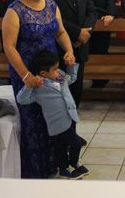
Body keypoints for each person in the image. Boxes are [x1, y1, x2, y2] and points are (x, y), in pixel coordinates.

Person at [2, 0, 75, 178]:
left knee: (52, 115)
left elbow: (60, 32)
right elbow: (9, 46)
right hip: (26, 72)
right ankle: (35, 170)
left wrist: (69, 51)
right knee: (32, 119)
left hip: (50, 71)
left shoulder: (51, 6)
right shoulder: (15, 11)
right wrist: (25, 75)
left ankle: (54, 163)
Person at [16, 50, 88, 180]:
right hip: (57, 123)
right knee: (76, 142)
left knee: (61, 146)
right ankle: (73, 163)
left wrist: (71, 66)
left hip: (70, 116)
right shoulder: (39, 87)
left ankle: (64, 168)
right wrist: (29, 85)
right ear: (43, 73)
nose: (58, 70)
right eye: (54, 69)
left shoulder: (59, 76)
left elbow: (70, 79)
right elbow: (22, 100)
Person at [47, 0, 99, 106]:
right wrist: (77, 33)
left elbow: (92, 10)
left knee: (76, 94)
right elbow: (51, 16)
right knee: (58, 97)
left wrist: (85, 33)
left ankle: (71, 129)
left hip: (80, 46)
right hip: (56, 49)